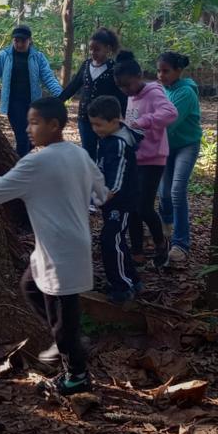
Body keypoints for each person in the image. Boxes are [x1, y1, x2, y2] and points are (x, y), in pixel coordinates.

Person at [0, 97, 107, 396]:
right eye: (28, 122)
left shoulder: (36, 163)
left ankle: (76, 375)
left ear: (54, 125)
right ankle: (71, 342)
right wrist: (97, 196)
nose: (28, 129)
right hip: (63, 246)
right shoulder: (78, 154)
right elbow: (100, 188)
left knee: (62, 317)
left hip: (60, 251)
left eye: (34, 123)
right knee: (30, 286)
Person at [115, 58, 177, 268]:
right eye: (121, 86)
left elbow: (170, 113)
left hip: (153, 159)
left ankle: (161, 243)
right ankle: (137, 252)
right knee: (132, 207)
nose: (125, 90)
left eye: (127, 84)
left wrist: (143, 121)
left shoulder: (154, 92)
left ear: (139, 76)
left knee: (143, 207)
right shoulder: (131, 96)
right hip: (135, 158)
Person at [88, 96, 144, 302]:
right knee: (116, 240)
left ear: (114, 121)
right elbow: (101, 168)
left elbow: (116, 180)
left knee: (110, 239)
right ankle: (131, 280)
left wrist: (101, 197)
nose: (95, 129)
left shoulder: (119, 144)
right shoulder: (107, 139)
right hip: (111, 202)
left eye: (98, 124)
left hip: (121, 203)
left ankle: (122, 287)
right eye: (92, 124)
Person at [0, 25, 63, 157]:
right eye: (17, 40)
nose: (20, 44)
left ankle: (24, 162)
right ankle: (21, 164)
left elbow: (48, 77)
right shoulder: (5, 56)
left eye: (23, 41)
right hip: (14, 104)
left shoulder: (38, 57)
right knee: (22, 137)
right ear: (13, 40)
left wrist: (61, 95)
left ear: (30, 40)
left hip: (33, 105)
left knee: (31, 138)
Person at [156, 51, 202, 263]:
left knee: (176, 190)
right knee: (164, 192)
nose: (161, 75)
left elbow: (168, 123)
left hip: (186, 145)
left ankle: (181, 243)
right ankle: (166, 225)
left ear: (178, 71)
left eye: (166, 71)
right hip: (166, 145)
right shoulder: (160, 90)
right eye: (159, 71)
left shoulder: (186, 93)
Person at [59, 27, 132, 160]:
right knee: (88, 152)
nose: (93, 52)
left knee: (106, 152)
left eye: (97, 49)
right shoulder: (86, 65)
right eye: (91, 49)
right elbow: (73, 86)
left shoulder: (113, 68)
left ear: (107, 49)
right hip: (84, 117)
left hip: (106, 119)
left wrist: (123, 118)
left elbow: (121, 95)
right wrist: (58, 101)